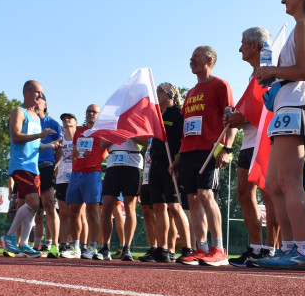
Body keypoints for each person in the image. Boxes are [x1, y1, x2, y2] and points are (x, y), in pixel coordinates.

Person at [254, 0, 305, 271]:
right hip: (287, 103)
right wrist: (272, 76)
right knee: (273, 185)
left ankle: (301, 250)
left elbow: (302, 70)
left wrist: (272, 70)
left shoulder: (304, 26)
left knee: (288, 182)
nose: (283, 0)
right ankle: (288, 248)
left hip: (297, 104)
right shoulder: (301, 28)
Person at [172, 46, 235, 266]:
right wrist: (179, 157)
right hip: (189, 151)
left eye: (196, 56)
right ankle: (202, 248)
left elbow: (231, 119)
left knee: (205, 194)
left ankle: (218, 248)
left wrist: (226, 149)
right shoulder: (190, 92)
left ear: (209, 59)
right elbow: (185, 128)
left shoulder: (220, 85)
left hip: (209, 149)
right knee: (192, 198)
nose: (191, 59)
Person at [227, 27, 280, 266]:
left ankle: (271, 249)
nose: (240, 49)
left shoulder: (271, 72)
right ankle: (256, 247)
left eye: (242, 44)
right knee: (243, 192)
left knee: (269, 194)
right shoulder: (253, 77)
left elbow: (270, 107)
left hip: (267, 139)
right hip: (249, 141)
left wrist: (243, 118)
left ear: (254, 46)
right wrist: (234, 117)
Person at [3, 81, 55, 258]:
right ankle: (10, 235)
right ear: (27, 92)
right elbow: (17, 136)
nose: (40, 96)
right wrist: (40, 135)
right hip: (21, 165)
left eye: (41, 93)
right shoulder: (19, 112)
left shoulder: (35, 117)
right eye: (37, 92)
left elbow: (35, 144)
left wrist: (49, 145)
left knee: (32, 208)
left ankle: (24, 243)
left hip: (34, 168)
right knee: (34, 204)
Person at [145, 83, 191, 263]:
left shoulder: (178, 114)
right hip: (155, 165)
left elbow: (184, 138)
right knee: (158, 207)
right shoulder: (156, 116)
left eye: (159, 92)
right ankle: (162, 248)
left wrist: (178, 160)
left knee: (174, 206)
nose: (156, 94)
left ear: (170, 94)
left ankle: (187, 247)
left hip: (171, 164)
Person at [64, 104, 107, 260]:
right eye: (88, 111)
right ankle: (75, 247)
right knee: (73, 210)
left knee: (92, 211)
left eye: (94, 112)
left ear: (99, 115)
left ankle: (92, 247)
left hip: (93, 173)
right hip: (76, 173)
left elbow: (106, 150)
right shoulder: (79, 131)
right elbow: (75, 152)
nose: (90, 114)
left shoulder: (102, 132)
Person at [98, 136, 145, 261]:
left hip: (132, 164)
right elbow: (102, 144)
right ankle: (105, 248)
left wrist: (129, 133)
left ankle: (127, 248)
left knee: (130, 208)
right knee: (106, 208)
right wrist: (117, 133)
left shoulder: (136, 122)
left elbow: (145, 142)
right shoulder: (112, 123)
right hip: (113, 165)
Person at [33, 94, 62, 258]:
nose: (36, 102)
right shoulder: (28, 122)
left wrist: (53, 165)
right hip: (29, 168)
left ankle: (54, 246)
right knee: (31, 208)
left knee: (49, 206)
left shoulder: (53, 124)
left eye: (39, 100)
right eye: (34, 99)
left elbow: (59, 148)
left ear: (45, 104)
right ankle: (31, 245)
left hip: (45, 167)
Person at [56, 112, 80, 258]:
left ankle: (79, 245)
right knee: (63, 214)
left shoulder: (81, 138)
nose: (66, 120)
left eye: (69, 118)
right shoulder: (59, 141)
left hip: (77, 178)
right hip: (61, 180)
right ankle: (63, 244)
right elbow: (54, 161)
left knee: (77, 214)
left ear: (76, 122)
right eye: (64, 119)